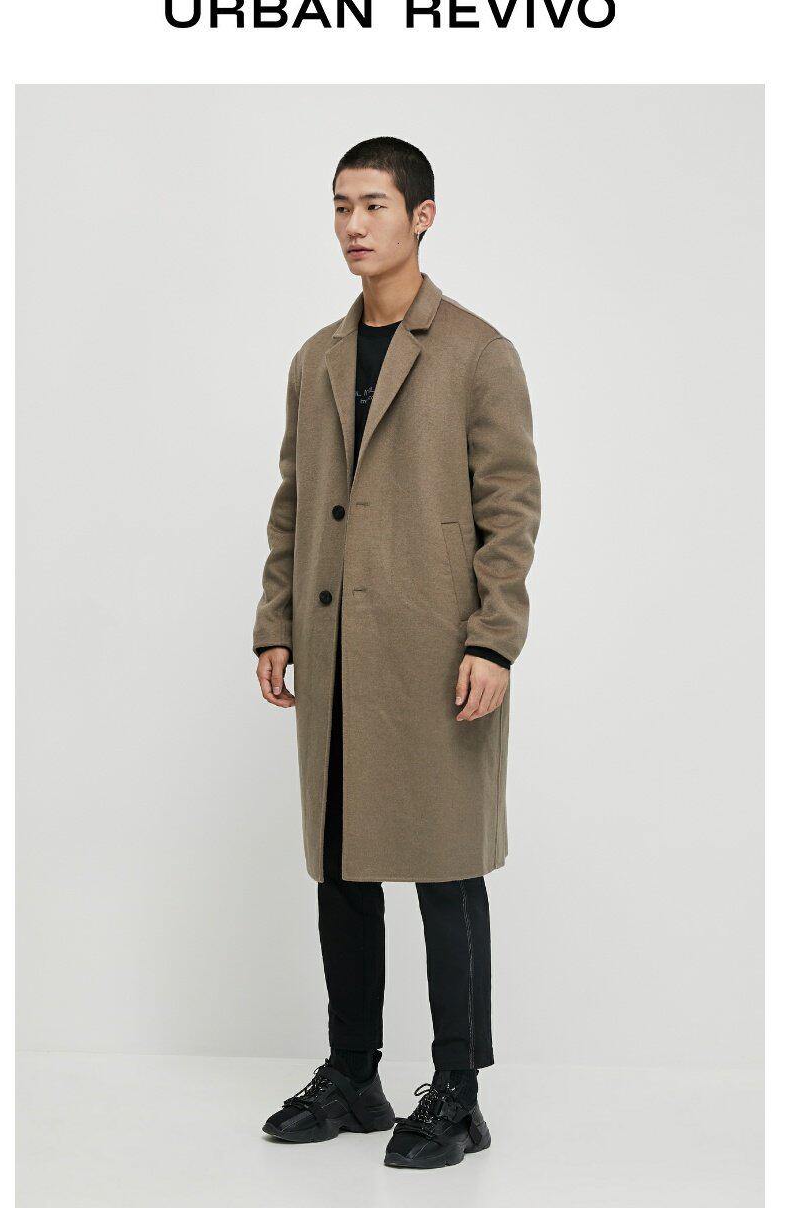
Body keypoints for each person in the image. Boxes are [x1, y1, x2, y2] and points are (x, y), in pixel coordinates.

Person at [253, 136, 541, 1170]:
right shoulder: (317, 359)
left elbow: (511, 509)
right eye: (341, 206)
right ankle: (354, 1076)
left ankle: (458, 1094)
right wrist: (277, 620)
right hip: (335, 653)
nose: (353, 225)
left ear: (422, 216)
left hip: (435, 653)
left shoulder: (476, 352)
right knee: (342, 868)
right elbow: (294, 502)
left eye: (374, 205)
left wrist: (492, 638)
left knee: (446, 868)